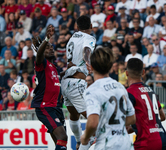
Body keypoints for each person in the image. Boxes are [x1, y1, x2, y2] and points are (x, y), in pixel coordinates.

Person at [79, 47, 135, 150]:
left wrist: (85, 137)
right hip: (126, 144)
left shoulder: (92, 90)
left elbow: (93, 123)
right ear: (110, 67)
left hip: (107, 145)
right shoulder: (120, 86)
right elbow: (132, 118)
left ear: (91, 67)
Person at [61, 15, 96, 150]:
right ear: (91, 26)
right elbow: (87, 49)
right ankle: (87, 139)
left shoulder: (72, 38)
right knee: (92, 116)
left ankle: (77, 141)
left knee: (74, 115)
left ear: (77, 27)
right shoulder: (89, 38)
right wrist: (88, 62)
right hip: (77, 82)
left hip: (66, 82)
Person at [31, 25, 68, 150]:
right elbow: (39, 54)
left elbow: (56, 78)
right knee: (63, 137)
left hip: (56, 107)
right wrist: (47, 38)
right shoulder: (41, 63)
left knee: (61, 141)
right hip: (45, 106)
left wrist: (70, 70)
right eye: (47, 48)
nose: (51, 49)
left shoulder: (52, 66)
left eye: (52, 47)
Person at [126, 58, 166, 150]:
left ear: (126, 73)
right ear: (143, 72)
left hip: (146, 143)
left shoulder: (129, 93)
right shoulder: (151, 90)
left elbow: (125, 121)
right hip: (164, 141)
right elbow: (163, 116)